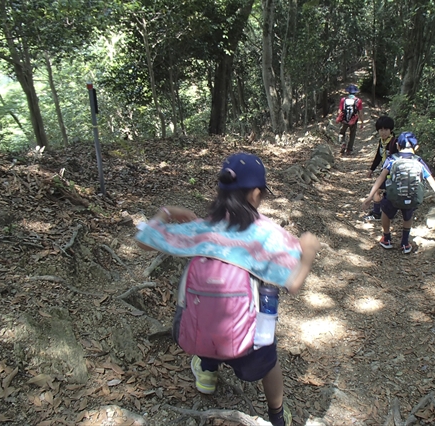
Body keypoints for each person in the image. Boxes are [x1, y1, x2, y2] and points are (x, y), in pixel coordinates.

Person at [135, 153, 321, 426]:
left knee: (205, 307)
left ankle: (207, 372)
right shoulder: (269, 234)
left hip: (197, 334)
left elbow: (143, 238)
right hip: (249, 343)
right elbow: (293, 284)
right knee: (270, 365)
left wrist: (167, 212)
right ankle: (278, 418)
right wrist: (307, 255)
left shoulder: (203, 228)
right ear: (256, 194)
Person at [361, 132, 435, 253]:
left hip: (393, 196)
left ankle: (386, 238)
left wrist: (369, 196)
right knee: (408, 216)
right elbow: (433, 183)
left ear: (398, 146)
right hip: (412, 196)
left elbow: (381, 178)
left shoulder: (392, 159)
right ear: (416, 147)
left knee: (386, 213)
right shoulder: (419, 161)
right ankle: (405, 243)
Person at [364, 116, 399, 220]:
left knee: (379, 191)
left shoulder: (394, 143)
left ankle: (379, 213)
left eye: (386, 130)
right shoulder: (382, 142)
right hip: (385, 172)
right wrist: (371, 169)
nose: (383, 132)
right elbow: (378, 156)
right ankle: (379, 213)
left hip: (393, 174)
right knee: (380, 191)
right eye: (381, 130)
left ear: (391, 130)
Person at [337, 84, 364, 155]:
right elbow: (360, 113)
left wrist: (339, 118)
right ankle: (349, 150)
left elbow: (339, 111)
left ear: (348, 92)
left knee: (341, 133)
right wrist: (362, 122)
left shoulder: (343, 100)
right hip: (353, 120)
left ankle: (343, 143)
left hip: (344, 120)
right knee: (352, 134)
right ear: (355, 92)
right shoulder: (358, 101)